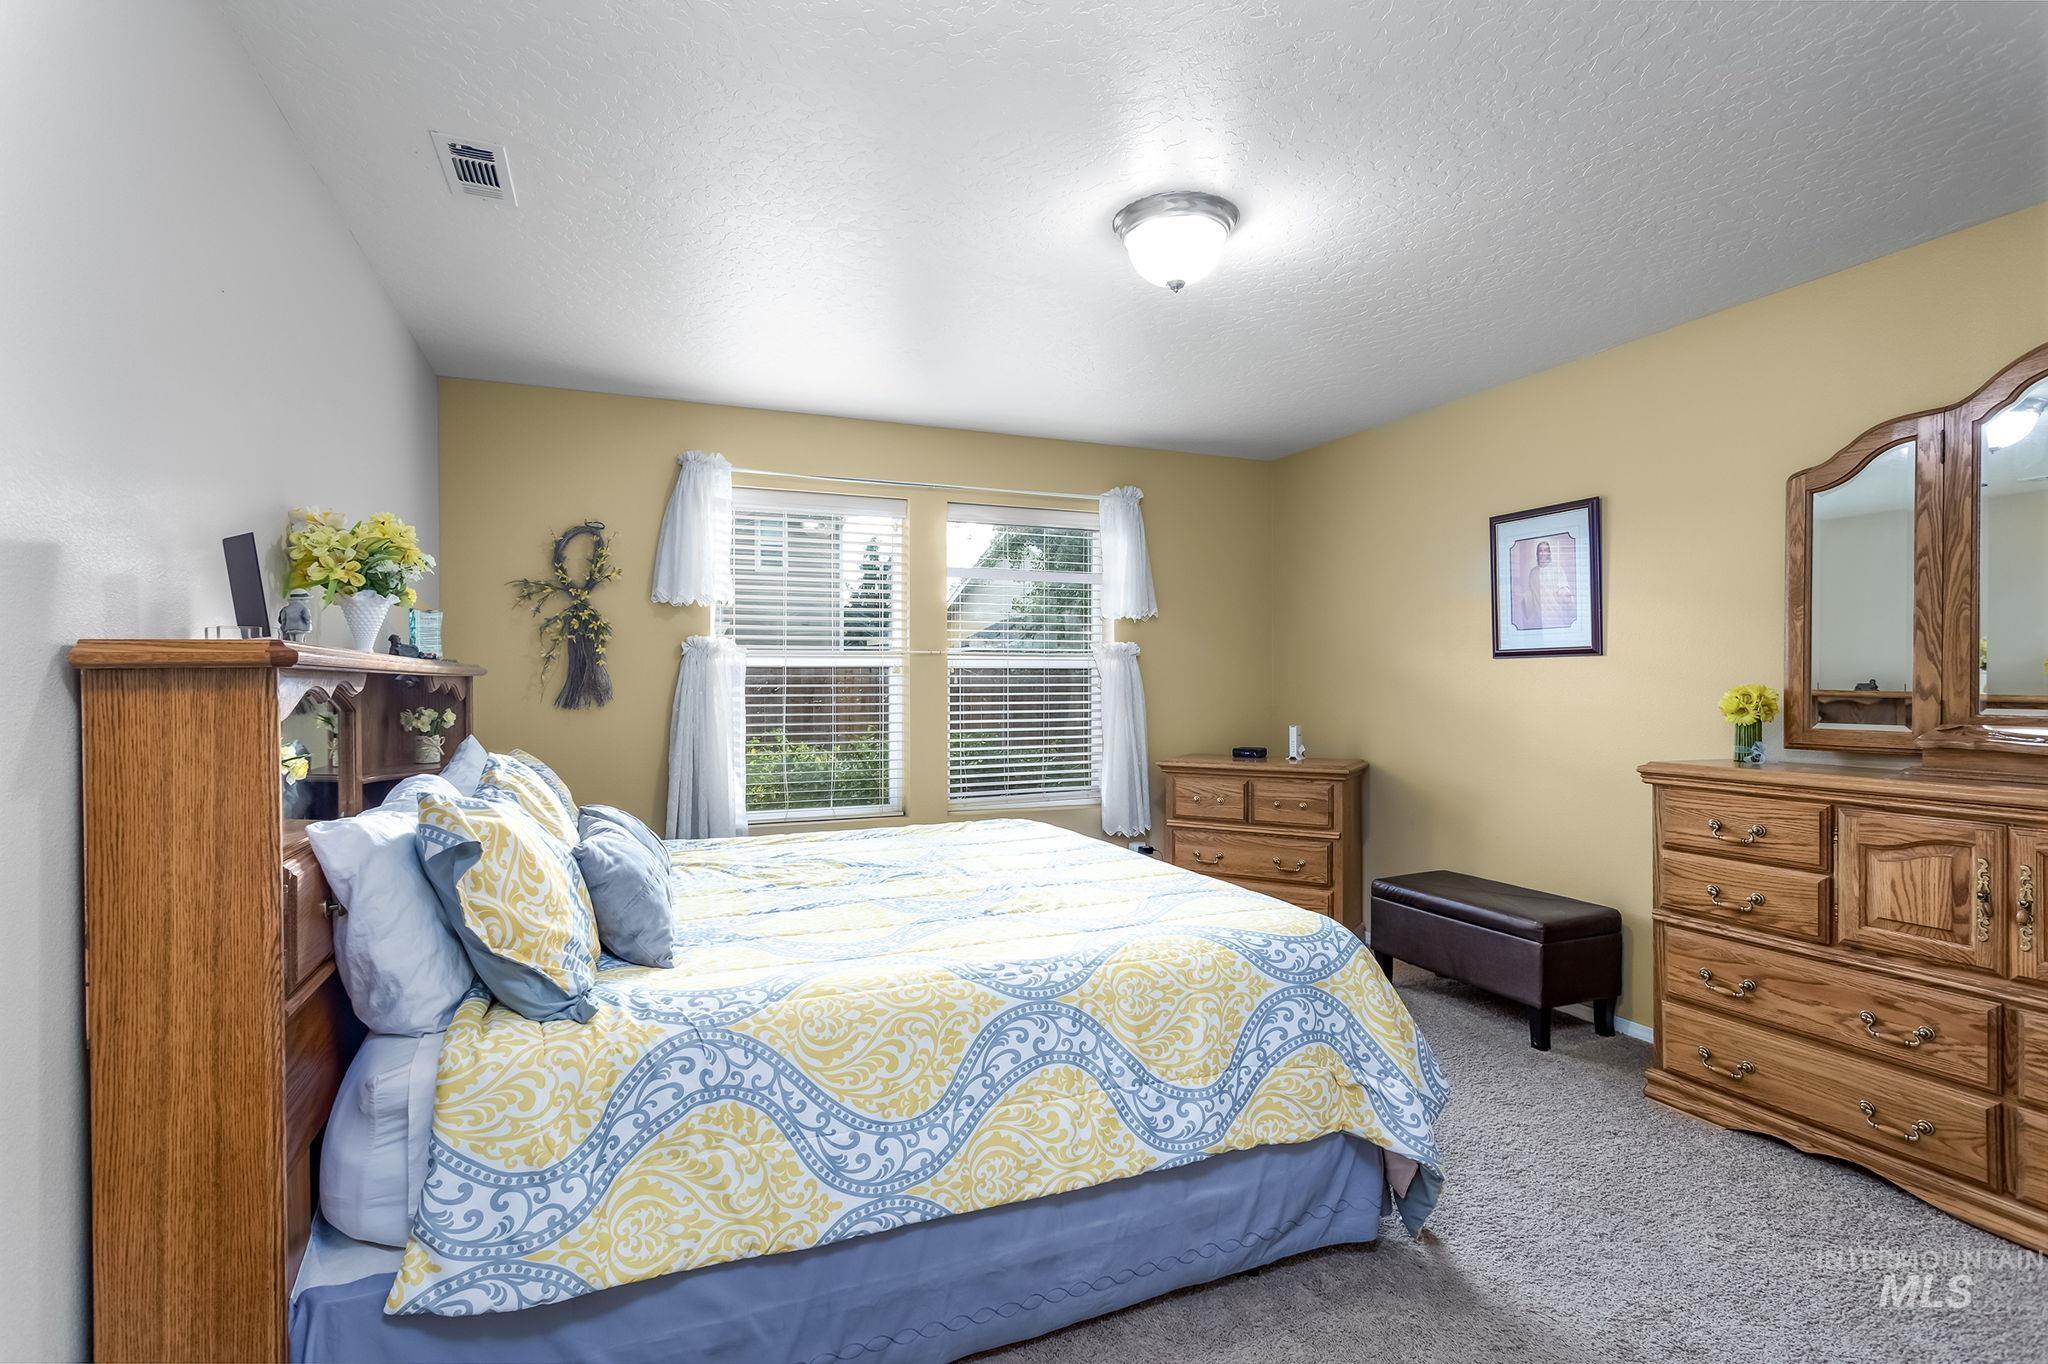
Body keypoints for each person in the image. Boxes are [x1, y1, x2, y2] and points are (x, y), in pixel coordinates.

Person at [1516, 538, 1576, 630]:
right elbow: (1531, 594)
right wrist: (1521, 597)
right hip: (1538, 619)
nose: (1543, 553)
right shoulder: (1533, 572)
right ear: (1537, 553)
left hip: (1555, 616)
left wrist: (1564, 593)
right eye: (1540, 551)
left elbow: (1563, 587)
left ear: (1549, 553)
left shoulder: (1557, 569)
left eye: (1545, 550)